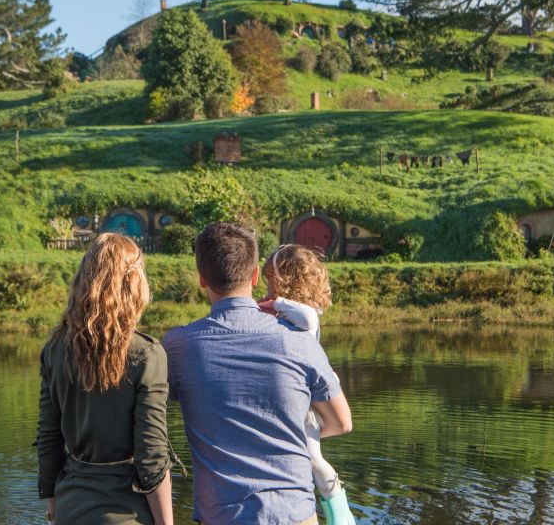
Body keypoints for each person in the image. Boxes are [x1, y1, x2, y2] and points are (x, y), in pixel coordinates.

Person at [164, 223, 353, 524]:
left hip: (222, 515)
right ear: (254, 276)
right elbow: (341, 422)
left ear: (202, 278)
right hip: (293, 513)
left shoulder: (177, 347)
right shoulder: (298, 340)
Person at [36, 233, 174, 525]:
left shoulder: (55, 349)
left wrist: (54, 508)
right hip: (128, 512)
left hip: (71, 508)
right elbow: (152, 457)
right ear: (135, 284)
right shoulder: (147, 355)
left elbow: (49, 439)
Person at [258, 244, 356, 525]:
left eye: (270, 279)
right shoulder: (291, 312)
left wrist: (271, 304)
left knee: (313, 459)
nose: (267, 286)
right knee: (309, 456)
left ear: (285, 280)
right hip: (297, 395)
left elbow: (308, 319)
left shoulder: (305, 314)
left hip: (307, 398)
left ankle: (342, 515)